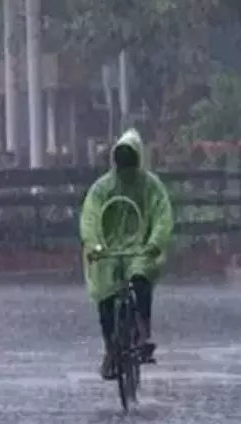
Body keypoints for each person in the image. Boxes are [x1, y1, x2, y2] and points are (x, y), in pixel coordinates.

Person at [79, 129, 173, 379]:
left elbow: (162, 216)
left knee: (140, 278)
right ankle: (110, 348)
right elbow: (90, 218)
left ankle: (143, 332)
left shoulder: (150, 186)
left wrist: (154, 243)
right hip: (108, 250)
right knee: (105, 299)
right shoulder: (102, 188)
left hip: (140, 248)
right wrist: (94, 245)